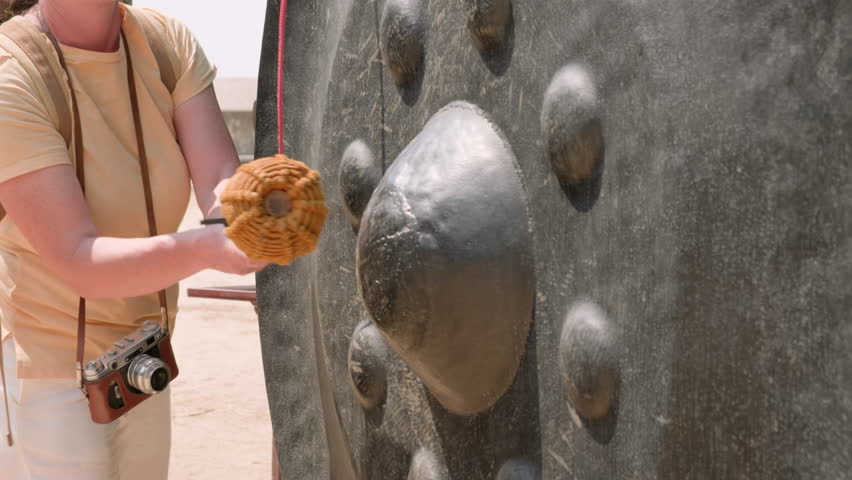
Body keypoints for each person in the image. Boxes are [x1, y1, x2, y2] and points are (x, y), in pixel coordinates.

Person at [0, 0, 267, 478]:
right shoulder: (12, 74)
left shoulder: (165, 43)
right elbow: (81, 262)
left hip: (143, 353)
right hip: (52, 378)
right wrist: (209, 247)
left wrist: (247, 214)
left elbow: (221, 183)